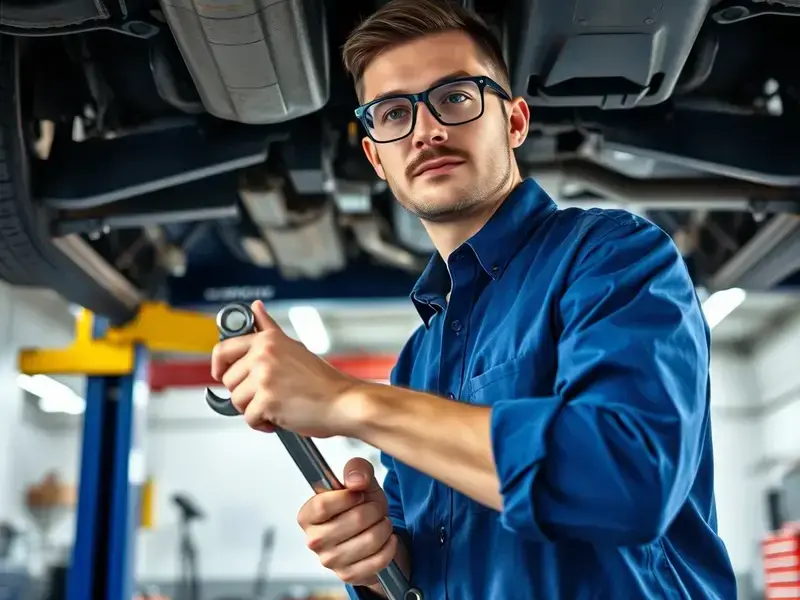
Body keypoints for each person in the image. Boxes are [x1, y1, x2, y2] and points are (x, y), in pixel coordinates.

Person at [210, 0, 738, 598]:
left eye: (456, 97)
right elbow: (425, 570)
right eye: (393, 113)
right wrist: (374, 556)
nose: (426, 130)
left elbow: (626, 480)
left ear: (515, 122)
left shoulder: (611, 256)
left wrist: (347, 400)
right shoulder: (419, 359)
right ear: (376, 156)